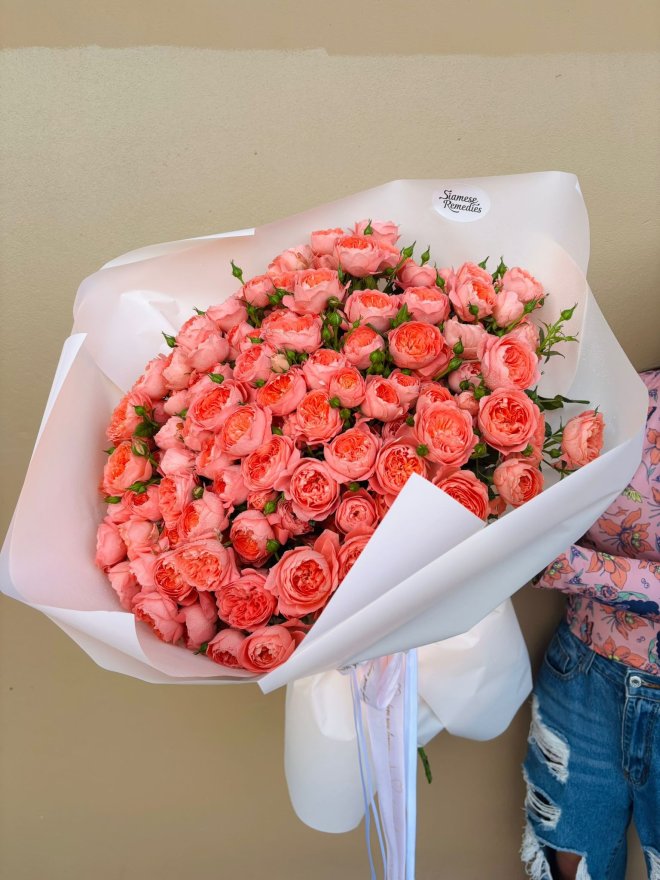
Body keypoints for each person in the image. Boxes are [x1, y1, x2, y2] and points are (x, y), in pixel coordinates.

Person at [522, 369, 660, 880]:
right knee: (573, 866)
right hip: (583, 678)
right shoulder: (623, 397)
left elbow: (548, 552)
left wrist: (564, 565)